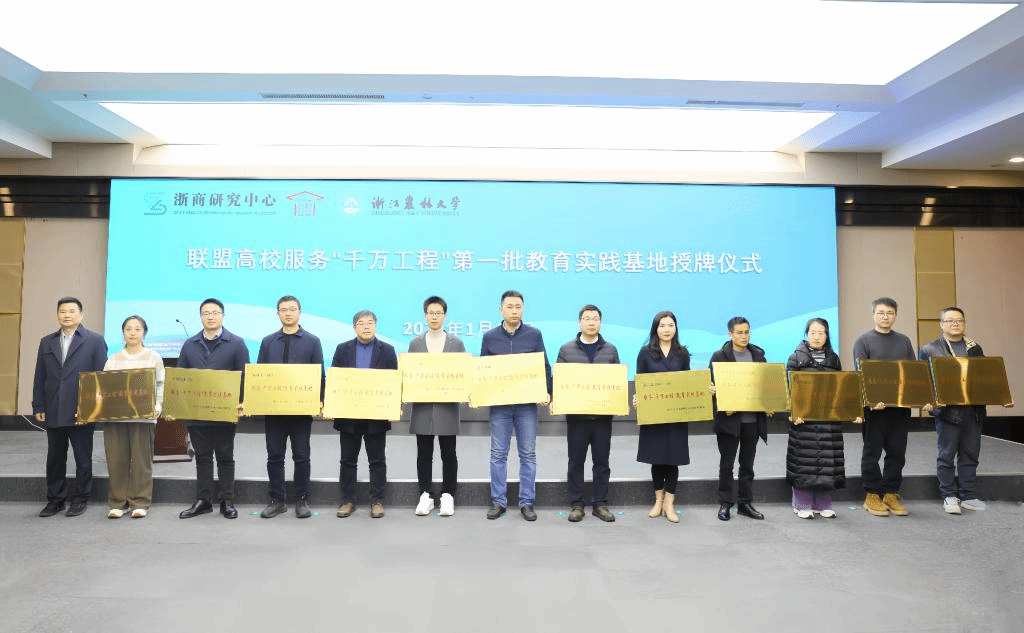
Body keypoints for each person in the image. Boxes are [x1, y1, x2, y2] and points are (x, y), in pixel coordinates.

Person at [919, 307, 1013, 514]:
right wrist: (928, 403)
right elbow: (924, 382)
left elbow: (985, 377)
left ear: (964, 323)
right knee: (946, 455)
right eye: (950, 320)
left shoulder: (974, 347)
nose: (955, 324)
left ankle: (968, 495)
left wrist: (1001, 397)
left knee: (970, 455)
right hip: (948, 413)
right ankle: (949, 496)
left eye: (959, 320)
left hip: (974, 411)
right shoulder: (930, 349)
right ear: (941, 324)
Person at [174, 298, 250, 520]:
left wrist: (242, 402)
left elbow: (245, 377)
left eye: (215, 313)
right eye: (206, 313)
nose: (210, 316)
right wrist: (177, 406)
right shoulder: (190, 344)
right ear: (200, 317)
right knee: (202, 457)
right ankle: (204, 500)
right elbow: (180, 377)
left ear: (222, 316)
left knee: (225, 456)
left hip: (225, 412)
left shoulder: (236, 343)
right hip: (197, 413)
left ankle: (227, 500)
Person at [33, 297, 109, 518]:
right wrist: (38, 404)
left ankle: (80, 499)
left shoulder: (95, 340)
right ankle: (55, 500)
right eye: (62, 311)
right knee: (55, 458)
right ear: (57, 315)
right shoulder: (46, 342)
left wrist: (93, 409)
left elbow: (101, 378)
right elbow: (40, 376)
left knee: (83, 458)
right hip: (54, 408)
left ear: (81, 315)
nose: (66, 315)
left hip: (82, 411)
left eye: (71, 311)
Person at [479, 290, 551, 522]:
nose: (514, 311)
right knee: (498, 454)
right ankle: (498, 501)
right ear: (501, 309)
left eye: (518, 307)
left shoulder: (534, 335)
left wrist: (546, 391)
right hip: (499, 406)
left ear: (523, 309)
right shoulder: (490, 337)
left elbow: (544, 366)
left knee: (527, 454)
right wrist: (479, 393)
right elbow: (482, 370)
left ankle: (526, 501)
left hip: (526, 406)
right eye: (509, 307)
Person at [255, 295, 325, 519]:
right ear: (278, 313)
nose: (288, 313)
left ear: (299, 312)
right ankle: (277, 500)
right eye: (283, 310)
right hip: (274, 411)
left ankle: (302, 499)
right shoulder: (268, 341)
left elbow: (319, 375)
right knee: (274, 456)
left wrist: (320, 400)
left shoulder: (312, 341)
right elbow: (260, 374)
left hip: (301, 411)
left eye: (292, 309)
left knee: (301, 456)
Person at [785, 318, 861, 519]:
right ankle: (802, 504)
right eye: (813, 333)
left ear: (827, 336)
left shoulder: (834, 359)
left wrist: (851, 411)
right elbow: (788, 391)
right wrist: (792, 413)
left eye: (821, 333)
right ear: (807, 334)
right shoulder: (795, 359)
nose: (817, 337)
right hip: (804, 422)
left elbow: (841, 390)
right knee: (804, 463)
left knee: (827, 464)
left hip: (829, 422)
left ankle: (823, 504)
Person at [555, 304, 620, 523]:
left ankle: (600, 504)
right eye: (587, 318)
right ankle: (577, 504)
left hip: (602, 418)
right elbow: (560, 381)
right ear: (579, 322)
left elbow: (617, 383)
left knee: (602, 462)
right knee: (576, 461)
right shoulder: (566, 350)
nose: (591, 323)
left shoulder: (611, 350)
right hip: (577, 418)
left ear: (600, 323)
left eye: (595, 319)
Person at [853, 297, 917, 517]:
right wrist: (871, 400)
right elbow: (861, 375)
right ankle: (872, 494)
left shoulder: (904, 341)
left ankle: (890, 493)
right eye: (881, 313)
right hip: (875, 409)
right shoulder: (863, 340)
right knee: (872, 452)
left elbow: (912, 373)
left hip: (900, 407)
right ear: (873, 315)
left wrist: (919, 398)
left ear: (895, 315)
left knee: (897, 453)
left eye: (890, 313)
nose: (885, 317)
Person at [331, 310, 398, 519]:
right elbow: (334, 381)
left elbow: (394, 382)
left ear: (376, 326)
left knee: (377, 460)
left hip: (376, 415)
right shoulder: (342, 349)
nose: (366, 326)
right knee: (347, 461)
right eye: (361, 323)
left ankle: (377, 501)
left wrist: (393, 405)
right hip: (348, 415)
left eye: (370, 322)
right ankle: (348, 500)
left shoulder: (388, 350)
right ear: (354, 327)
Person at [407, 296, 466, 517]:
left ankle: (448, 494)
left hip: (447, 406)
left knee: (448, 452)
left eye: (438, 313)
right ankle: (425, 495)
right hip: (423, 406)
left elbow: (462, 374)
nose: (434, 317)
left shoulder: (456, 343)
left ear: (444, 316)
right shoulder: (415, 344)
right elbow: (410, 374)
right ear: (425, 316)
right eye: (431, 313)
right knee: (424, 453)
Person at [102, 315, 165, 519]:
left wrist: (157, 406)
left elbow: (160, 386)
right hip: (116, 418)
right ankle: (118, 503)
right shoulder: (113, 359)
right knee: (116, 460)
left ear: (144, 333)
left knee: (141, 461)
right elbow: (104, 387)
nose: (133, 333)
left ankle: (140, 502)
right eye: (128, 329)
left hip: (143, 418)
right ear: (123, 333)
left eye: (137, 329)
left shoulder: (153, 357)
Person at [632, 310, 691, 524]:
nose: (667, 330)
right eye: (662, 325)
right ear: (655, 329)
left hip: (676, 414)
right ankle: (658, 500)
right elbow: (640, 381)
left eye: (670, 325)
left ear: (676, 328)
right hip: (654, 414)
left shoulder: (682, 353)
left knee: (673, 459)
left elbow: (688, 382)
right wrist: (638, 398)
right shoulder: (645, 353)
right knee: (657, 459)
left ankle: (669, 504)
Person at [710, 316, 768, 521]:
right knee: (727, 465)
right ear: (730, 334)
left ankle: (745, 503)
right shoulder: (719, 357)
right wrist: (721, 403)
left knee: (747, 465)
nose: (744, 336)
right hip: (729, 422)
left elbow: (766, 385)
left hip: (752, 421)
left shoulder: (758, 355)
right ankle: (725, 504)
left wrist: (770, 403)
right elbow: (711, 388)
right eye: (739, 333)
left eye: (747, 332)